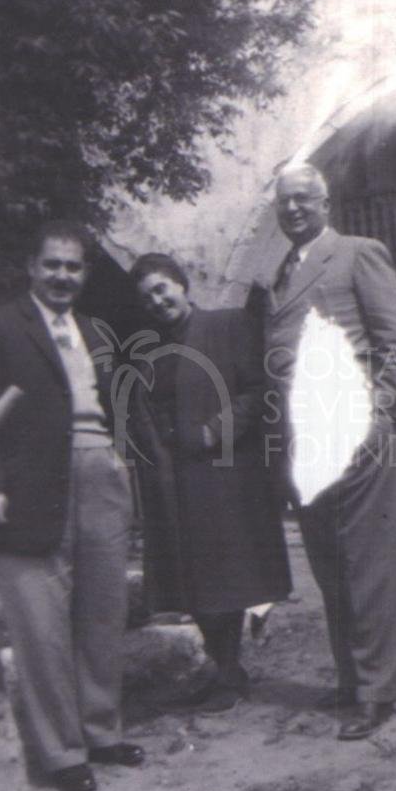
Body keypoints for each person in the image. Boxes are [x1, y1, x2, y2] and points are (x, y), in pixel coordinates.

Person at [0, 220, 144, 791]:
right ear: (31, 267)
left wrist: (120, 462)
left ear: (84, 274)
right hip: (28, 485)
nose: (63, 276)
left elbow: (119, 406)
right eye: (53, 265)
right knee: (39, 622)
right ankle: (62, 751)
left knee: (102, 609)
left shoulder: (95, 330)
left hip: (100, 474)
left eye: (73, 267)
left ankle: (102, 731)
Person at [253, 163, 396, 741]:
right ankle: (354, 679)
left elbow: (395, 339)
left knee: (367, 563)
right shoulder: (278, 274)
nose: (292, 209)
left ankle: (377, 691)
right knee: (329, 565)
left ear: (325, 203)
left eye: (303, 199)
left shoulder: (356, 252)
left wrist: (381, 412)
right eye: (284, 202)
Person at [129, 253, 292, 713]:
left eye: (163, 289)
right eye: (148, 297)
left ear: (182, 285)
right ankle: (225, 669)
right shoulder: (150, 350)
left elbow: (257, 390)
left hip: (223, 471)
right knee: (191, 580)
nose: (158, 301)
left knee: (226, 577)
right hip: (173, 477)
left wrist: (212, 431)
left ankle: (228, 671)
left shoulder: (228, 325)